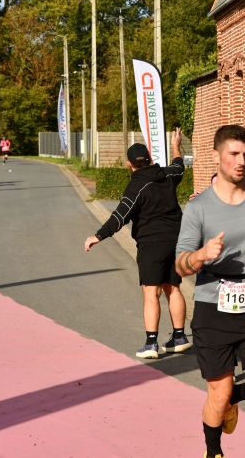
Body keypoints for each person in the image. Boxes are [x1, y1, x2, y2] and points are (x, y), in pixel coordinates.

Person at [175, 124, 245, 458]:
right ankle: (213, 452)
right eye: (233, 154)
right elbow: (180, 265)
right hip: (213, 309)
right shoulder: (199, 207)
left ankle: (231, 400)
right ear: (216, 156)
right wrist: (200, 255)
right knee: (218, 392)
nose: (241, 161)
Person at [85, 129, 191, 359]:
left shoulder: (135, 187)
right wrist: (176, 144)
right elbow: (179, 165)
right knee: (173, 288)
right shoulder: (167, 174)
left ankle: (151, 344)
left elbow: (120, 216)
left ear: (129, 164)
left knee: (151, 292)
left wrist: (98, 236)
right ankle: (179, 337)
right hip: (176, 239)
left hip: (151, 244)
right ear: (150, 159)